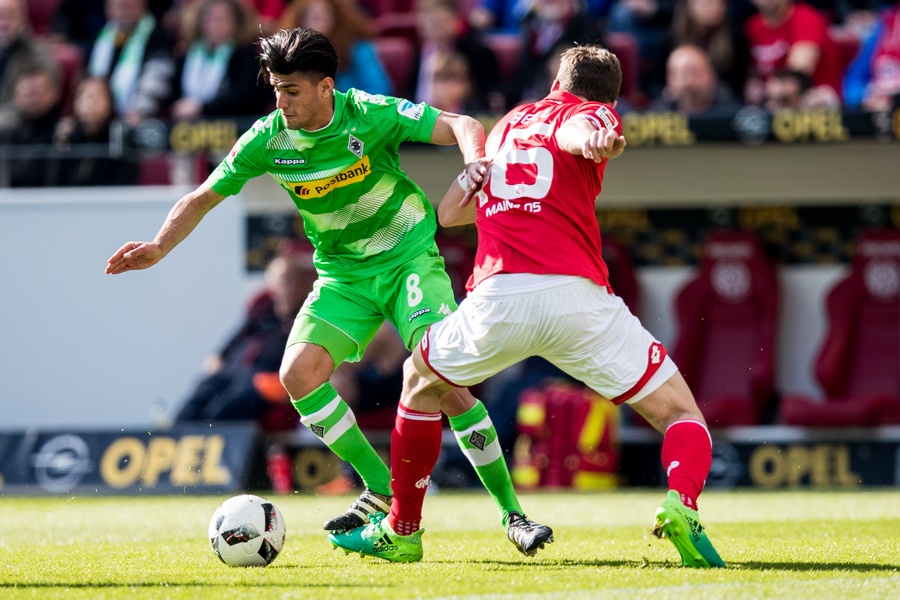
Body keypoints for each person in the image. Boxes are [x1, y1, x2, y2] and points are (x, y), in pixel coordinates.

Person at [105, 28, 550, 556]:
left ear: (325, 87)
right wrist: (159, 245)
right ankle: (380, 486)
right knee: (298, 375)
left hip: (408, 260)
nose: (281, 101)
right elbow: (203, 197)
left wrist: (475, 160)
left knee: (443, 380)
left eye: (292, 90)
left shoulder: (368, 112)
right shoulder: (267, 138)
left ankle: (513, 514)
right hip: (342, 276)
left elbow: (462, 123)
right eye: (276, 89)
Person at [330, 45, 725, 569]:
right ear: (606, 95)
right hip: (577, 299)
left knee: (418, 382)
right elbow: (578, 133)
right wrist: (598, 140)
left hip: (500, 300)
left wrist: (473, 180)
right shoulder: (590, 114)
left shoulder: (508, 124)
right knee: (680, 413)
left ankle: (402, 530)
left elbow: (448, 216)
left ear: (555, 79)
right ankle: (683, 505)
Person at [174, 247, 317, 424]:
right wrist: (218, 358)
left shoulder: (309, 318)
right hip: (231, 373)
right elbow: (230, 345)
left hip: (263, 380)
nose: (288, 289)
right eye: (282, 282)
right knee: (195, 402)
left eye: (292, 282)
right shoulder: (263, 311)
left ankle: (210, 445)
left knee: (219, 412)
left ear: (305, 285)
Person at [168, 0, 272, 120]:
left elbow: (244, 97)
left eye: (220, 19)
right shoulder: (188, 52)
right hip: (187, 127)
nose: (214, 25)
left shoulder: (248, 55)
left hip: (235, 126)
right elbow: (173, 91)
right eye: (208, 19)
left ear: (236, 22)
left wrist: (202, 108)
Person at [86, 0, 176, 122]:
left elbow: (156, 80)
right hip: (100, 120)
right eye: (119, 6)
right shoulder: (98, 38)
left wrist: (139, 110)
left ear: (143, 5)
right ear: (108, 9)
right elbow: (88, 80)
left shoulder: (157, 36)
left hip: (139, 119)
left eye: (128, 5)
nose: (123, 11)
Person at [278, 0, 391, 96]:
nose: (314, 24)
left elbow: (379, 91)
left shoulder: (358, 49)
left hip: (355, 116)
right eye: (308, 18)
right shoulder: (292, 53)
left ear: (336, 20)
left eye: (322, 17)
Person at [743, 0, 844, 106]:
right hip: (773, 103)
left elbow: (797, 74)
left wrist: (770, 92)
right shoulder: (753, 25)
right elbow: (754, 72)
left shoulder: (806, 18)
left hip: (815, 104)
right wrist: (753, 86)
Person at [412, 0, 501, 114]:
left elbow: (488, 95)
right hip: (420, 119)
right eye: (431, 22)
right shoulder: (419, 52)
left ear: (456, 22)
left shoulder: (476, 52)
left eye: (441, 22)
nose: (436, 28)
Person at [49, 76, 140, 186]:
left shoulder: (121, 142)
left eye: (98, 95)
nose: (90, 102)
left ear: (110, 102)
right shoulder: (67, 141)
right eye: (83, 95)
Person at [0, 62, 63, 187]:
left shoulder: (64, 133)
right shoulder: (6, 134)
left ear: (55, 93)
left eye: (38, 92)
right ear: (16, 96)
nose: (34, 99)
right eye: (28, 94)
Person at [651, 44, 743, 115]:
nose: (688, 82)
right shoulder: (658, 115)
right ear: (669, 79)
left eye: (695, 73)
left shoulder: (731, 112)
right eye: (680, 75)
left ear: (711, 76)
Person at [843, 1, 900, 111]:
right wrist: (866, 96)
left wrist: (895, 99)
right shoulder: (885, 23)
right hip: (879, 107)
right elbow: (854, 81)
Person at [0, 0, 54, 105]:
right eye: (1, 16)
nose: (4, 23)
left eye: (11, 16)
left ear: (23, 20)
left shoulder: (39, 57)